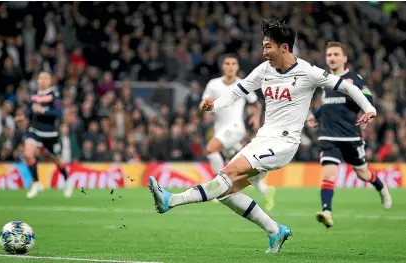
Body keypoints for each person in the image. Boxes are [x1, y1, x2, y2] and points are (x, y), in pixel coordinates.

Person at [148, 20, 377, 253]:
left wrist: (370, 108)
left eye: (268, 46)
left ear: (284, 48)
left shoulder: (307, 72)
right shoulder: (264, 70)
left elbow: (347, 87)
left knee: (227, 174)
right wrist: (214, 106)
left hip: (284, 143)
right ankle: (275, 230)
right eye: (263, 46)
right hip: (262, 139)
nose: (264, 51)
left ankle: (171, 201)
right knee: (227, 192)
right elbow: (238, 91)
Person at [307, 42, 392, 228]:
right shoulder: (325, 80)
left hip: (351, 137)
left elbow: (367, 97)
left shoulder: (354, 78)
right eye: (329, 54)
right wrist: (316, 116)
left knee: (362, 173)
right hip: (328, 137)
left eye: (336, 54)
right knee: (328, 175)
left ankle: (381, 187)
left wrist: (366, 110)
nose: (332, 57)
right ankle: (327, 212)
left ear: (345, 58)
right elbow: (329, 103)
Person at [202, 54, 275, 211]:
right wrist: (205, 107)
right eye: (227, 63)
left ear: (237, 67)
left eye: (233, 64)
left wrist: (256, 117)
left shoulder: (243, 84)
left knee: (210, 149)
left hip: (235, 128)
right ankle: (266, 192)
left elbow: (256, 104)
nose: (230, 66)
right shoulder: (213, 84)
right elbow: (204, 102)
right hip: (220, 130)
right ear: (222, 66)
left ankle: (217, 188)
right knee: (243, 167)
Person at [15, 72, 73, 199]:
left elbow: (59, 112)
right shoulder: (34, 96)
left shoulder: (54, 95)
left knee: (57, 161)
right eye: (41, 78)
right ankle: (36, 183)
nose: (43, 80)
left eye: (46, 78)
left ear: (49, 81)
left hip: (50, 133)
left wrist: (44, 111)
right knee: (28, 154)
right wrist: (23, 116)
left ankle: (67, 180)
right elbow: (31, 111)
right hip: (34, 130)